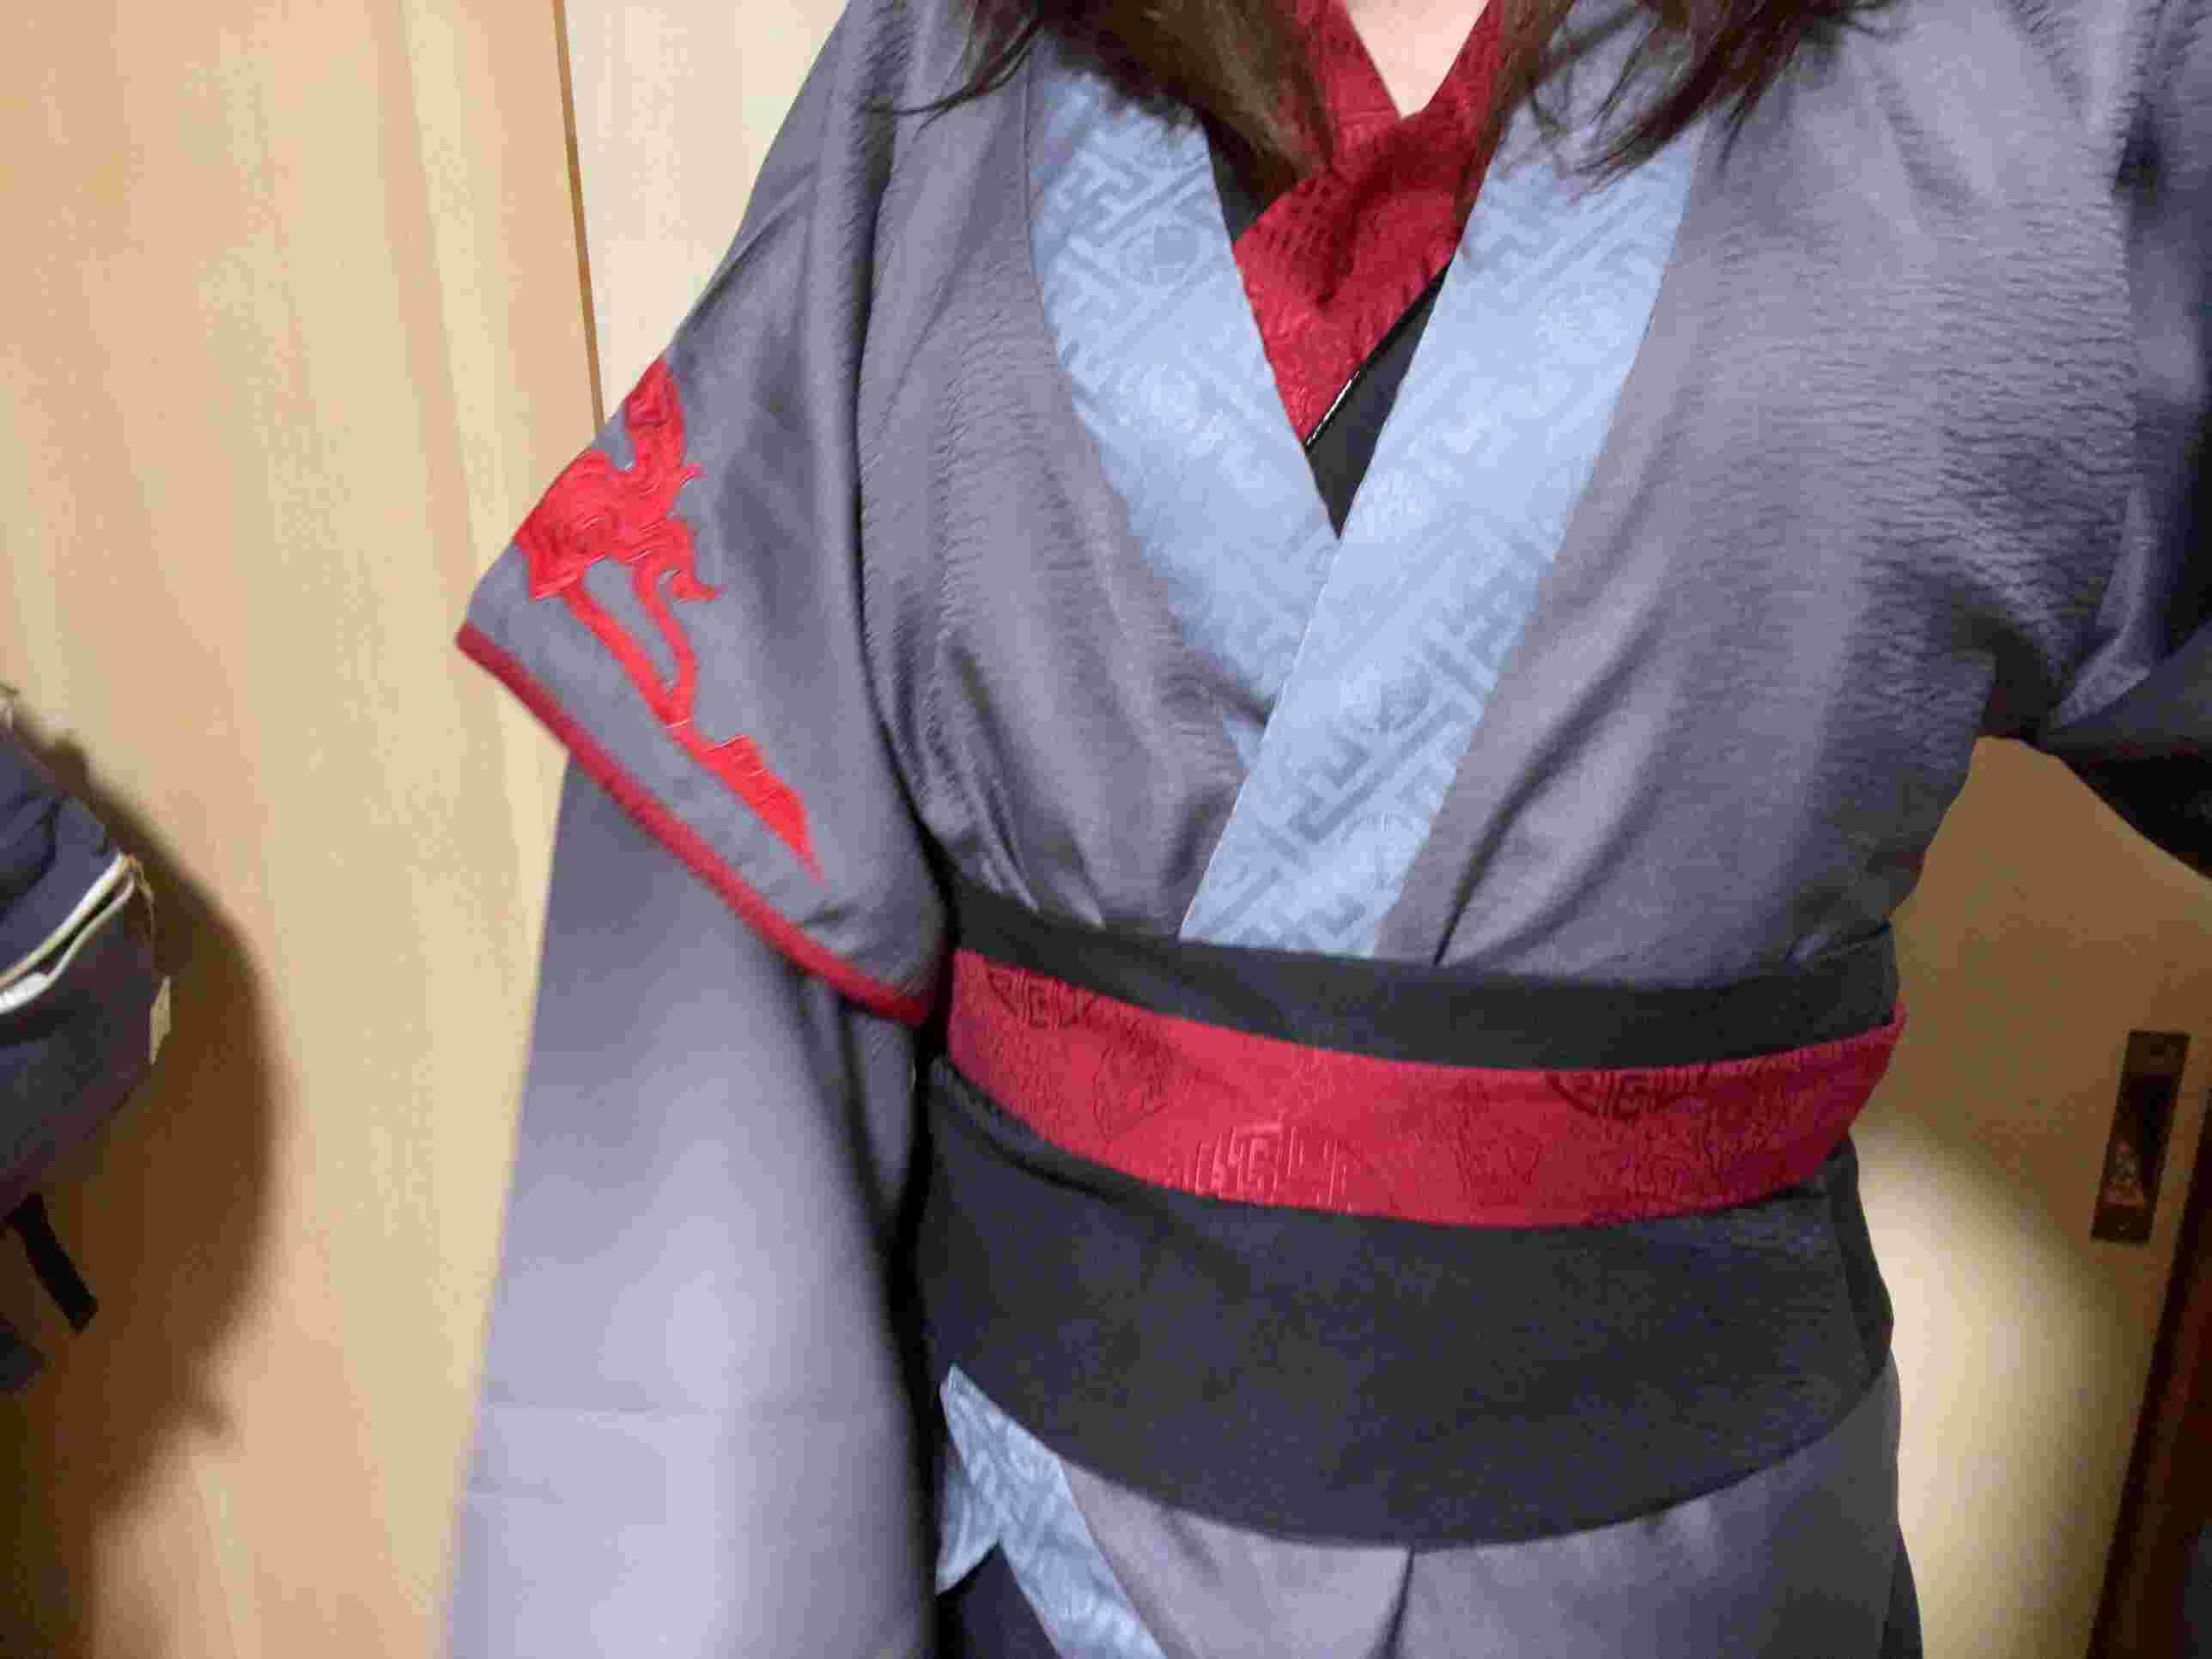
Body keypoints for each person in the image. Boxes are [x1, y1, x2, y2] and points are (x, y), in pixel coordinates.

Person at [438, 0, 2212, 1647]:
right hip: (1034, 1553)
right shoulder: (952, 49)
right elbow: (710, 954)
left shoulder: (2057, 50)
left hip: (1687, 1573)